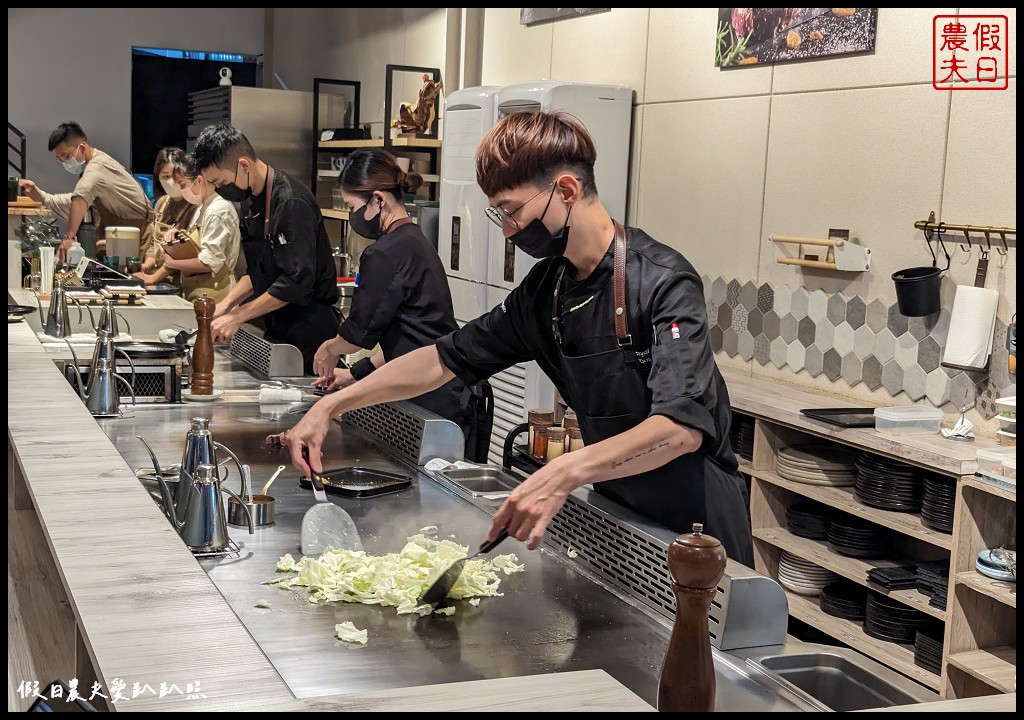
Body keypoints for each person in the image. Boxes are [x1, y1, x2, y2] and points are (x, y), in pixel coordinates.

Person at [282, 110, 755, 567]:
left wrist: (563, 471)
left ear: (566, 190)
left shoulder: (664, 281)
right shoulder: (547, 290)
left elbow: (679, 430)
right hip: (621, 515)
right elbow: (443, 359)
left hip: (699, 533)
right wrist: (332, 406)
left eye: (511, 211)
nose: (508, 232)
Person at [310, 148, 476, 454]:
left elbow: (357, 335)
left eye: (351, 206)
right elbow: (412, 339)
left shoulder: (384, 253)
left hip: (432, 400)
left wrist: (329, 348)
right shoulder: (413, 241)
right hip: (447, 391)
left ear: (378, 199)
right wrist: (354, 374)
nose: (352, 215)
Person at [190, 123, 338, 374]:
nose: (220, 189)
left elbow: (296, 281)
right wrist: (225, 305)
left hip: (311, 330)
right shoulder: (251, 201)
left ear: (244, 165)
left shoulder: (291, 202)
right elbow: (259, 271)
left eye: (221, 181)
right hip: (278, 325)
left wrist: (238, 316)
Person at [18, 121, 153, 262]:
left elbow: (80, 198)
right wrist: (41, 196)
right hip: (118, 245)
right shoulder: (90, 172)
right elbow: (73, 202)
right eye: (60, 159)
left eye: (66, 156)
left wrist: (69, 237)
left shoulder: (97, 167)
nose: (64, 162)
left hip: (140, 243)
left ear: (82, 148)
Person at [133, 155, 240, 303]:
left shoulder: (218, 211)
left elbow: (210, 262)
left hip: (216, 297)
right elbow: (195, 246)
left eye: (183, 185)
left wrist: (171, 263)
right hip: (196, 293)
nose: (182, 190)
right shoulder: (202, 208)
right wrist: (178, 235)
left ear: (200, 180)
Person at [139, 147, 198, 275]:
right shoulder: (162, 204)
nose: (171, 182)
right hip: (159, 275)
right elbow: (153, 244)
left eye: (174, 176)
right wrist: (148, 264)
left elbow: (188, 253)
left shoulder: (195, 205)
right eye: (165, 177)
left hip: (181, 277)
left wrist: (155, 277)